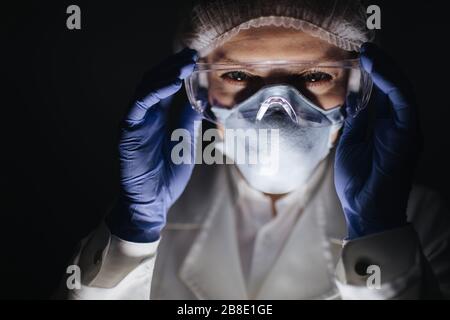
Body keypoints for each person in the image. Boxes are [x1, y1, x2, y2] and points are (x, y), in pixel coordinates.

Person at [61, 0, 450, 299]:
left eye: (315, 75)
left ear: (357, 87)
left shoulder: (420, 218)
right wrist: (132, 236)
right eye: (237, 75)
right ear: (200, 90)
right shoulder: (147, 217)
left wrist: (378, 232)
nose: (276, 109)